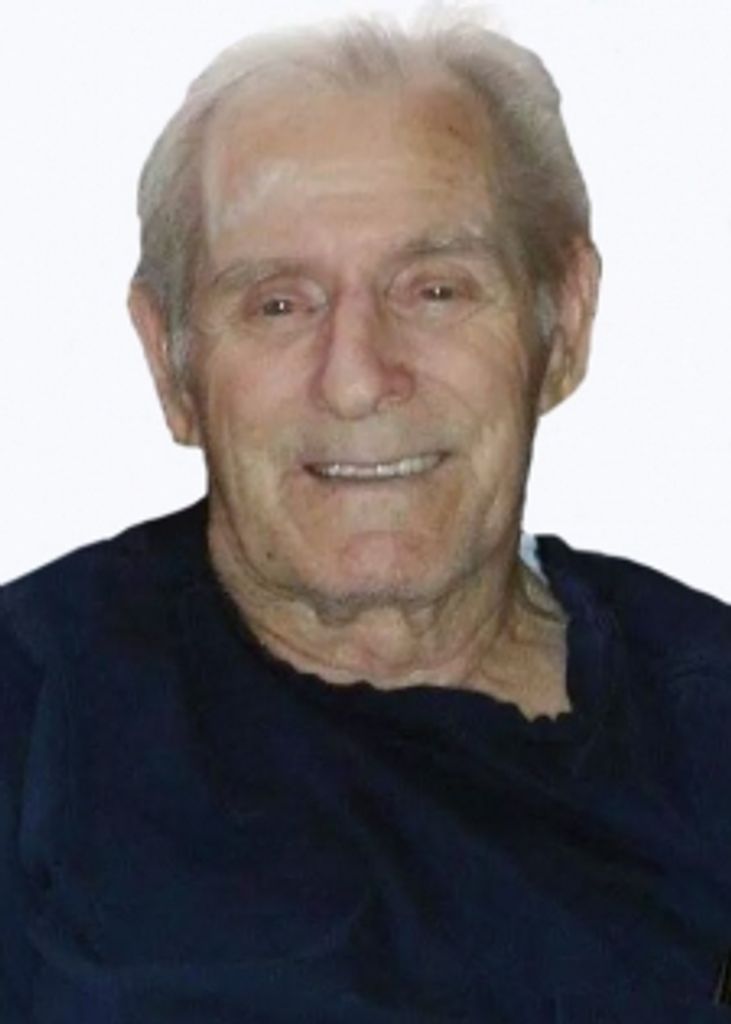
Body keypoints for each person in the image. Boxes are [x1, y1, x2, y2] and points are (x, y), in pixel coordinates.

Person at [2, 12, 730, 1023]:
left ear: (562, 321)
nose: (355, 379)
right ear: (169, 360)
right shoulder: (33, 712)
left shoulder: (704, 712)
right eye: (278, 303)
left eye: (434, 290)